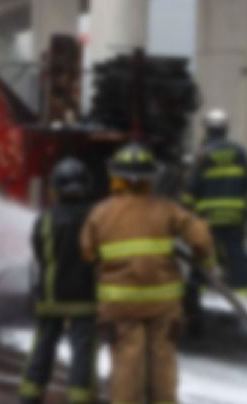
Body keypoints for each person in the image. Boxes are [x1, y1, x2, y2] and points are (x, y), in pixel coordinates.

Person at [81, 142, 214, 404]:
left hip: (120, 305)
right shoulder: (167, 209)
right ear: (150, 178)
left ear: (116, 177)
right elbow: (201, 238)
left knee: (126, 368)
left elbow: (87, 252)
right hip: (163, 305)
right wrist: (201, 258)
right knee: (162, 367)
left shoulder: (100, 213)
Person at [18, 157, 98, 404]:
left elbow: (39, 254)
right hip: (85, 299)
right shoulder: (95, 218)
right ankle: (80, 398)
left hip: (51, 297)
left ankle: (30, 394)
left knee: (43, 347)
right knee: (82, 352)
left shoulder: (45, 219)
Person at [181, 108, 247, 334]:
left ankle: (200, 302)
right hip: (234, 216)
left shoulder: (203, 155)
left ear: (208, 129)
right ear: (225, 128)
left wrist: (186, 213)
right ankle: (243, 302)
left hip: (208, 218)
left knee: (203, 258)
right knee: (237, 257)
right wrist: (244, 210)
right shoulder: (240, 152)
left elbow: (192, 188)